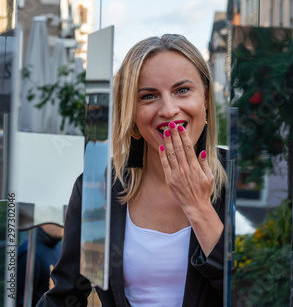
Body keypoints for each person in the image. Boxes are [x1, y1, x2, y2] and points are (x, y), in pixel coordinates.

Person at [37, 34, 227, 306]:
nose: (169, 109)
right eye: (148, 96)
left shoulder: (243, 180)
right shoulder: (100, 188)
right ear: (132, 115)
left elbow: (257, 293)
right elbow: (67, 295)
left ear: (206, 99)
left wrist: (198, 207)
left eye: (182, 90)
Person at [17, 224, 63, 307]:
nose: (63, 223)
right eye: (59, 218)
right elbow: (20, 302)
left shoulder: (58, 246)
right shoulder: (29, 253)